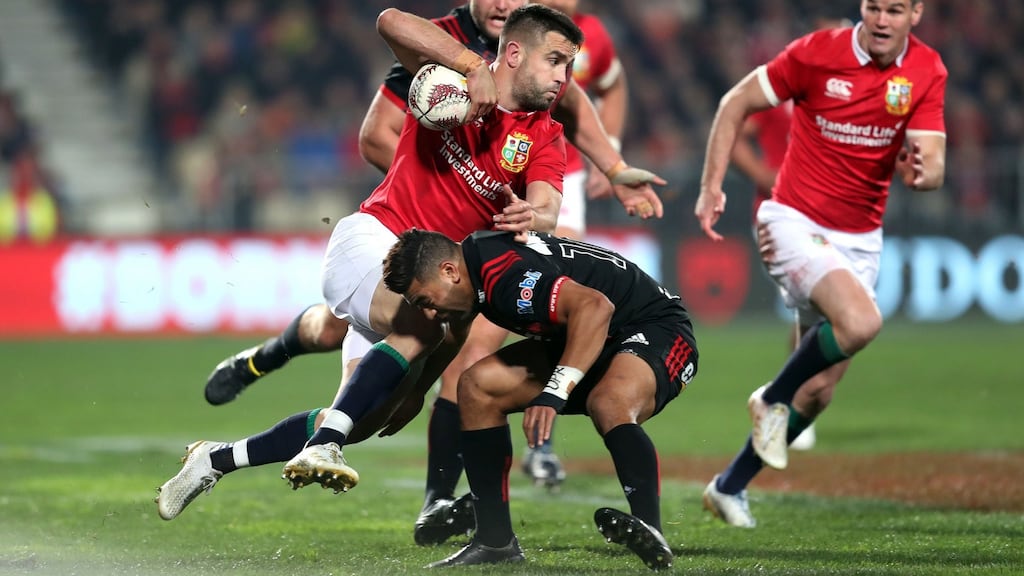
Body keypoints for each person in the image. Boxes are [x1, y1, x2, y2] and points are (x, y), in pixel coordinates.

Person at [157, 3, 663, 527]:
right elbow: (389, 21)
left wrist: (534, 214)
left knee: (363, 416)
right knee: (416, 324)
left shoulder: (544, 135)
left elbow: (547, 206)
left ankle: (215, 459)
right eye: (556, 61)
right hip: (373, 240)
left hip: (431, 286)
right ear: (514, 54)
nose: (564, 75)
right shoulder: (449, 77)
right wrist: (470, 68)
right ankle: (320, 435)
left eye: (569, 64)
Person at [694, 0, 946, 527]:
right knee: (860, 323)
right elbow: (735, 101)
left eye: (895, 10)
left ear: (916, 14)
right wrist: (711, 186)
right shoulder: (816, 54)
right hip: (792, 221)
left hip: (861, 240)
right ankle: (771, 396)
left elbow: (931, 166)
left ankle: (729, 486)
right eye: (874, 7)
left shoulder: (927, 70)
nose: (881, 20)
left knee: (820, 391)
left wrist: (923, 173)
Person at [382, 228, 698, 569]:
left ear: (448, 271)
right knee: (476, 386)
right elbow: (455, 338)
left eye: (426, 301)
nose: (429, 313)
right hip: (589, 335)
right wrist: (416, 391)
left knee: (608, 402)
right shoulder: (470, 273)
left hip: (653, 328)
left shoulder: (507, 279)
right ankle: (495, 541)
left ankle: (649, 526)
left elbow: (595, 307)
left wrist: (553, 393)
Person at [509, 0, 629, 488]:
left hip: (559, 176)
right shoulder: (508, 26)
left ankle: (541, 442)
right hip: (494, 170)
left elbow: (611, 85)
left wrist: (611, 153)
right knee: (480, 326)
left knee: (556, 300)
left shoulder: (592, 34)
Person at [729, 13, 853, 453]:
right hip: (784, 210)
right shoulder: (786, 79)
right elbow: (737, 132)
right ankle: (789, 398)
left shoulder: (857, 89)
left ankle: (788, 396)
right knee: (822, 311)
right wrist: (763, 173)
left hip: (838, 212)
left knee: (820, 316)